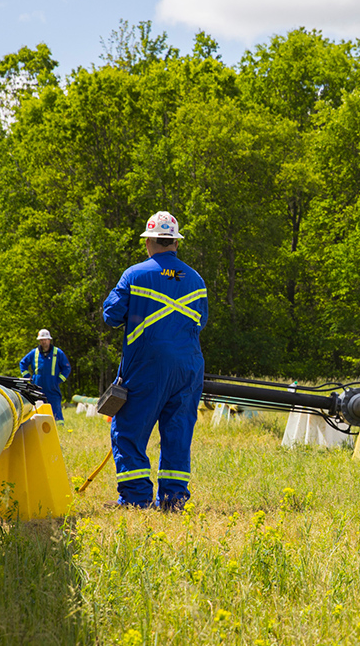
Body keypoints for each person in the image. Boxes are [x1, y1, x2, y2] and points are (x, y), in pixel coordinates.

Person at [102, 211, 208, 510]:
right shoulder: (197, 280)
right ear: (175, 242)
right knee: (177, 433)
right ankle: (173, 500)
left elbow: (110, 317)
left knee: (129, 431)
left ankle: (136, 499)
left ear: (148, 241)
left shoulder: (134, 275)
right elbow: (200, 321)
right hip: (188, 367)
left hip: (146, 366)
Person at [19, 329, 71, 422]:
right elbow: (23, 363)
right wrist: (27, 377)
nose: (43, 342)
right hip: (37, 386)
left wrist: (58, 380)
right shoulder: (34, 352)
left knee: (55, 409)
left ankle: (59, 428)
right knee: (38, 410)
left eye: (45, 339)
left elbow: (66, 368)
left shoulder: (57, 352)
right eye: (41, 340)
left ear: (49, 340)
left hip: (52, 387)